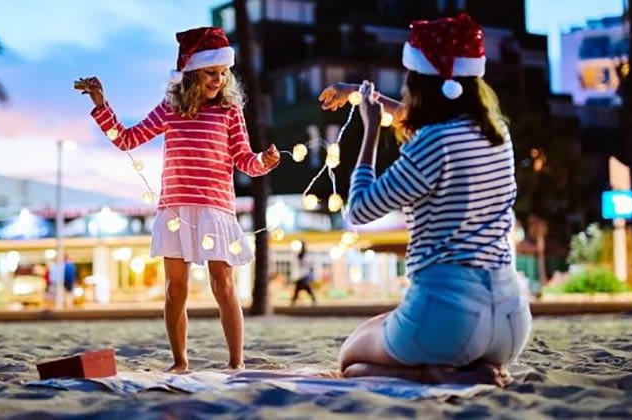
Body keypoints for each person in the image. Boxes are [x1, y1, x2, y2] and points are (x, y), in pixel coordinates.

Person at [318, 13, 531, 387]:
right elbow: (420, 122)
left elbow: (360, 209)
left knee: (349, 359)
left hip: (451, 321)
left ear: (420, 82)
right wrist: (358, 92)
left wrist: (368, 134)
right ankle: (467, 368)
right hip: (510, 323)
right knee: (381, 326)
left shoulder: (433, 144)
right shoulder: (497, 135)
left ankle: (432, 373)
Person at [76, 27, 280, 372]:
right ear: (191, 73)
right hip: (175, 209)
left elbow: (243, 158)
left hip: (216, 209)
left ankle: (236, 362)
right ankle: (180, 361)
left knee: (223, 284)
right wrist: (101, 106)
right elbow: (126, 139)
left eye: (223, 73)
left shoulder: (230, 111)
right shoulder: (170, 108)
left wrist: (263, 161)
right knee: (175, 289)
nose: (218, 80)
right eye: (211, 73)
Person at [291, 242, 317, 306]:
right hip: (301, 275)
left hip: (304, 275)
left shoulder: (307, 256)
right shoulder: (300, 255)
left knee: (300, 288)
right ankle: (313, 299)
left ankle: (293, 301)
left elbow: (310, 265)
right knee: (303, 287)